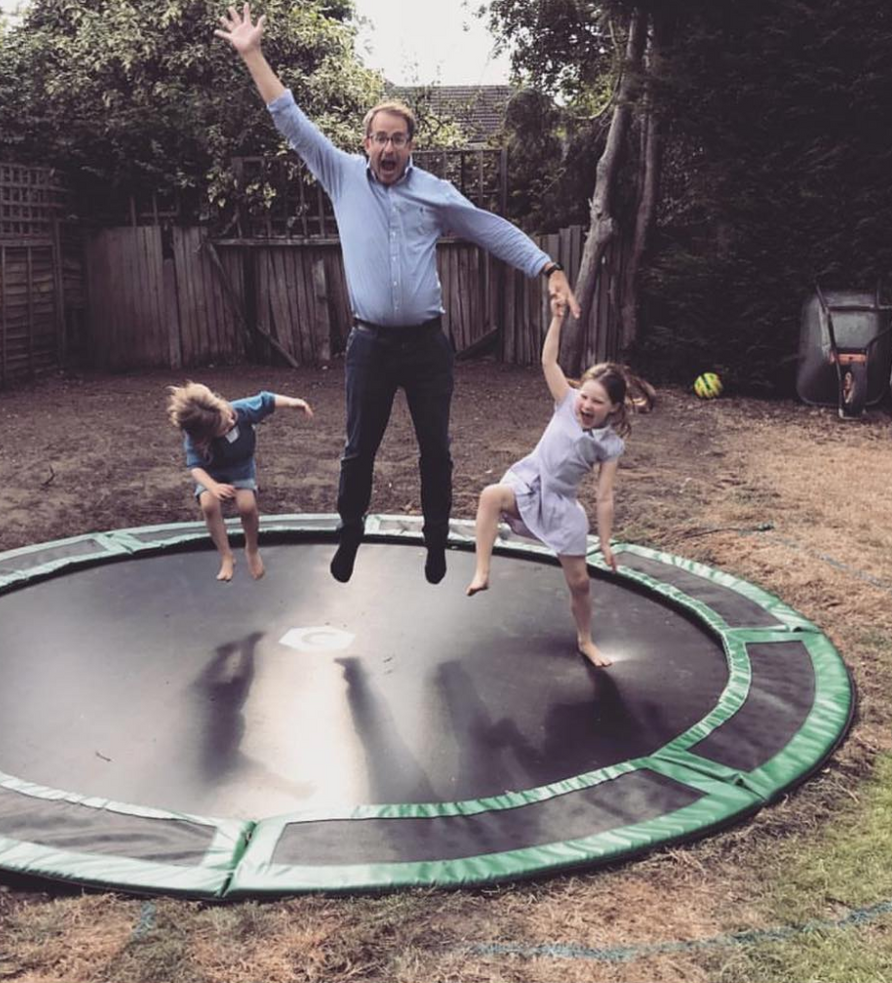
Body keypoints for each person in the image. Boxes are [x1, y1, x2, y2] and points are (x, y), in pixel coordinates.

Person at [216, 4, 581, 586]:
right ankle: (349, 536)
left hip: (427, 345)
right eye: (380, 139)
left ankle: (437, 543)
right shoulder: (338, 174)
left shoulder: (433, 193)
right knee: (358, 449)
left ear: (410, 145)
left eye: (399, 140)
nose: (389, 149)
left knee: (436, 450)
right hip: (369, 345)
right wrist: (252, 53)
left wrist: (549, 266)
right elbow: (287, 116)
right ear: (365, 144)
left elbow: (488, 226)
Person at [465, 301, 655, 668]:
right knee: (490, 496)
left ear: (614, 408)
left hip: (562, 507)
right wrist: (556, 319)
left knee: (581, 582)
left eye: (596, 402)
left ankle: (586, 640)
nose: (586, 405)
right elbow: (548, 362)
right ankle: (483, 572)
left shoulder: (611, 445)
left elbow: (603, 497)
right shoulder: (565, 402)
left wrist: (604, 541)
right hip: (528, 483)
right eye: (584, 395)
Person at [166, 381, 313, 582]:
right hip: (211, 473)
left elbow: (267, 400)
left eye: (227, 419)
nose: (230, 424)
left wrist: (293, 403)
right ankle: (226, 556)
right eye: (224, 428)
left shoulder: (241, 410)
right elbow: (196, 468)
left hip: (240, 467)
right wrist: (212, 486)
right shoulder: (195, 437)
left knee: (247, 506)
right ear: (205, 436)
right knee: (208, 506)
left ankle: (251, 550)